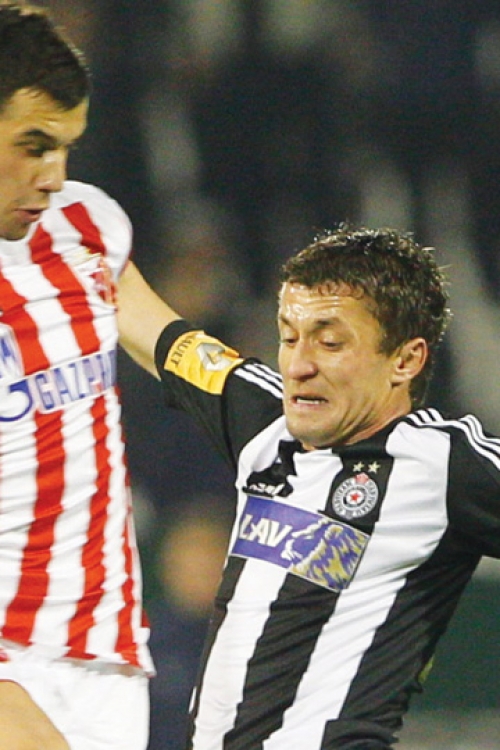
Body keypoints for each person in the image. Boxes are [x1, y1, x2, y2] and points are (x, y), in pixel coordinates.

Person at [150, 225, 500, 749]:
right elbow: (152, 327)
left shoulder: (438, 462)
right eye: (289, 336)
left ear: (405, 360)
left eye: (330, 342)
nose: (299, 364)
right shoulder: (263, 421)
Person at [0, 4, 177, 749]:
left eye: (66, 149)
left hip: (107, 655)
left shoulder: (85, 226)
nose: (54, 177)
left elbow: (175, 351)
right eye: (33, 146)